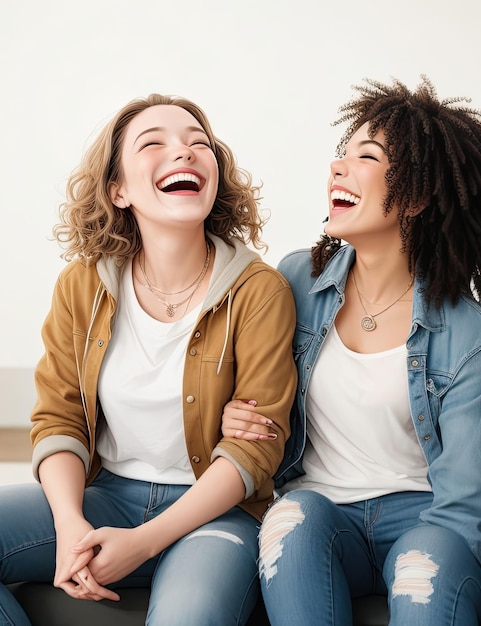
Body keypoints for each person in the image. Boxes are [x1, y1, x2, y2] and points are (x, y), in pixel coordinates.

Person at [0, 93, 297, 626]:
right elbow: (59, 420)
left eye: (197, 143)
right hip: (105, 497)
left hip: (216, 515)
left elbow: (254, 452)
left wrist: (143, 542)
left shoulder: (260, 291)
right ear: (118, 189)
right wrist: (70, 525)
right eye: (153, 143)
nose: (183, 153)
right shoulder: (81, 285)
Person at [222, 76, 481, 625]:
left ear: (415, 194)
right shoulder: (294, 280)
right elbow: (242, 380)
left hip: (424, 518)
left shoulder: (467, 330)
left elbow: (463, 504)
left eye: (364, 156)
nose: (337, 167)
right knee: (288, 523)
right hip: (319, 510)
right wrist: (231, 410)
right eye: (340, 155)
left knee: (427, 568)